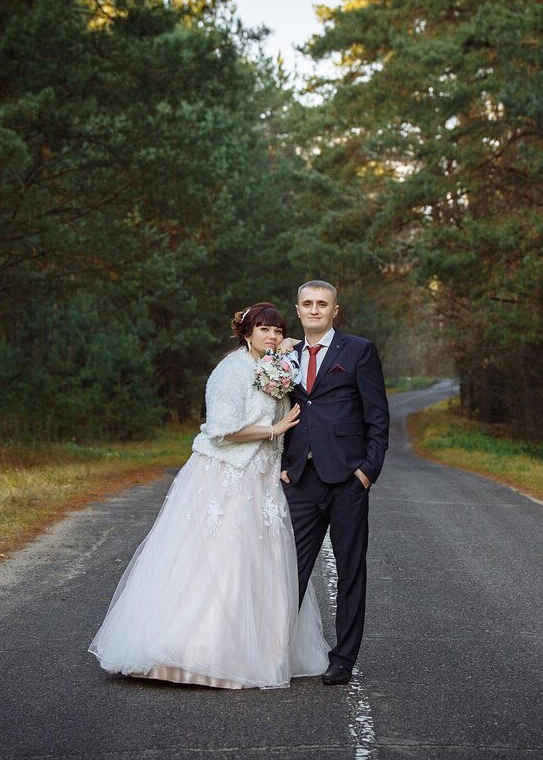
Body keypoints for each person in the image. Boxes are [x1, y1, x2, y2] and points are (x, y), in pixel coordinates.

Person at [88, 302, 330, 689]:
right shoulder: (230, 370)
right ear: (246, 333)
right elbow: (221, 428)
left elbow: (302, 358)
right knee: (223, 557)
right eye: (263, 329)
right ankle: (198, 653)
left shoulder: (278, 365)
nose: (271, 336)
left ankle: (258, 652)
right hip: (226, 474)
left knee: (260, 560)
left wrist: (288, 349)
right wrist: (275, 428)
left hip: (264, 477)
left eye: (277, 330)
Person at [280, 280, 390, 685]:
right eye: (307, 303)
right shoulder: (285, 356)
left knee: (350, 571)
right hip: (301, 480)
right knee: (290, 568)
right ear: (298, 310)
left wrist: (366, 472)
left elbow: (377, 416)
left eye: (321, 304)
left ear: (334, 311)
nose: (314, 309)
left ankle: (343, 658)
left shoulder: (359, 350)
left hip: (347, 480)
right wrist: (283, 464)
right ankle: (277, 651)